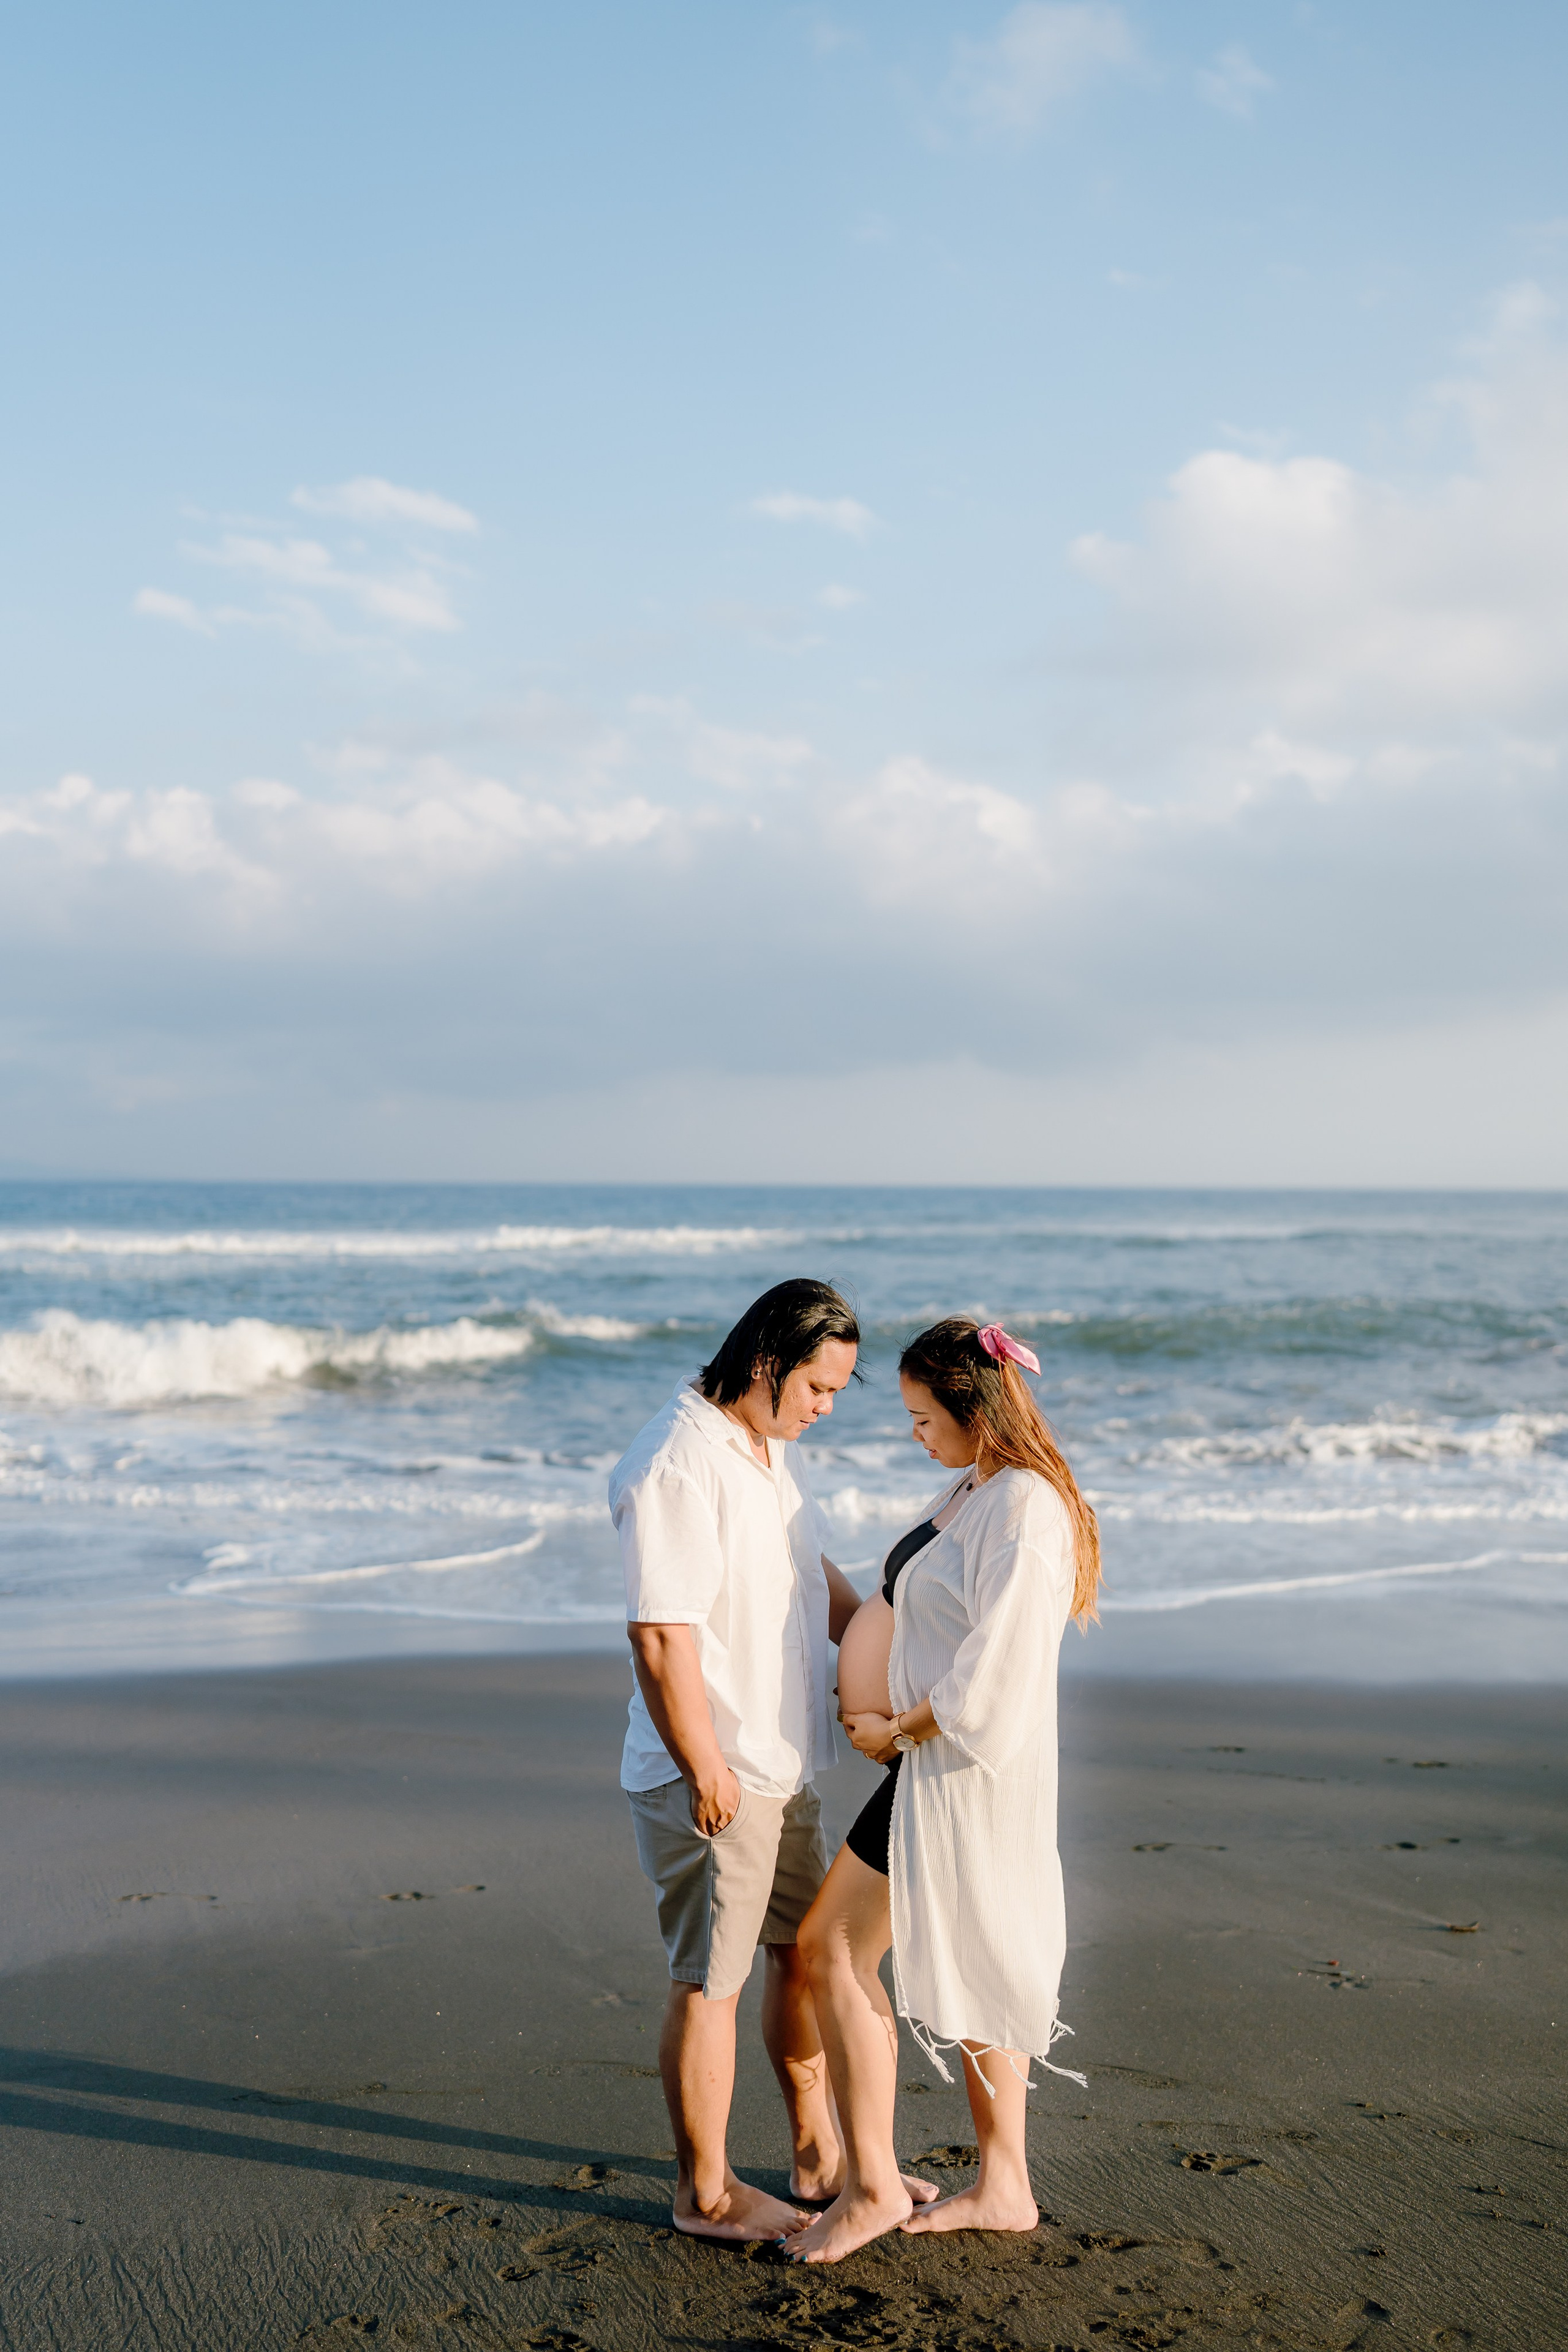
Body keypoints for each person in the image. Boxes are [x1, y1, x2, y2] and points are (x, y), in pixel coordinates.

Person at [789, 1316, 1101, 2263]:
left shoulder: (1025, 1510)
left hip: (961, 1772)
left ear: (974, 1407)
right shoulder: (977, 1488)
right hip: (932, 1770)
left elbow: (995, 1669)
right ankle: (1003, 2184)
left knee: (830, 1949)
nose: (914, 1432)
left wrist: (894, 1726)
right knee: (973, 1960)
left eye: (924, 1415)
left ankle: (875, 2188)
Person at [610, 1278, 870, 2244]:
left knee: (800, 1955)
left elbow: (808, 1571)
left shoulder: (763, 1446)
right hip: (713, 1774)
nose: (826, 1408)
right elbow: (661, 1635)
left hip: (779, 1763)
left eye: (839, 1391)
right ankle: (705, 2194)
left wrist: (881, 1631)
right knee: (710, 1983)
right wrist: (707, 1767)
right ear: (767, 1364)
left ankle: (819, 2159)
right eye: (819, 1387)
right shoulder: (680, 1461)